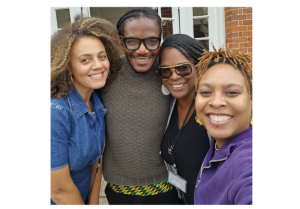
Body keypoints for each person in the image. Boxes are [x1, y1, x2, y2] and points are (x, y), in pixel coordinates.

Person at [101, 8, 179, 204]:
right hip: (118, 189)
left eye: (152, 41)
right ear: (121, 40)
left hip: (166, 186)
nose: (142, 50)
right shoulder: (105, 74)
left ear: (160, 39)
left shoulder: (170, 73)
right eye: (132, 41)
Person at [50, 16, 123, 205]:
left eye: (102, 56)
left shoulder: (95, 102)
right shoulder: (55, 114)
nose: (98, 65)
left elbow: (95, 163)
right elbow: (58, 190)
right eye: (85, 60)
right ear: (68, 67)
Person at [193, 45, 252, 204]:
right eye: (206, 92)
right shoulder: (217, 144)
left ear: (252, 101)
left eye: (231, 92)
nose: (216, 102)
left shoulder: (248, 160)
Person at [157, 34, 210, 204]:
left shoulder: (212, 110)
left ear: (199, 67)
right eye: (165, 70)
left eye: (183, 68)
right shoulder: (169, 107)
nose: (173, 76)